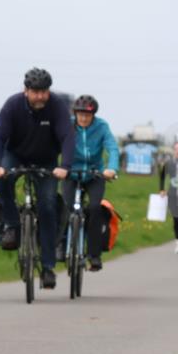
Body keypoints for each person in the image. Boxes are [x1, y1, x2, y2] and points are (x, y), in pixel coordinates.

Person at [0, 68, 74, 289]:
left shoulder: (57, 107)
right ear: (26, 91)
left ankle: (47, 267)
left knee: (47, 206)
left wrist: (64, 166)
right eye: (35, 91)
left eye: (44, 91)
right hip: (15, 154)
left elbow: (67, 137)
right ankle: (12, 225)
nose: (40, 96)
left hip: (46, 160)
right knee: (4, 179)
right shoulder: (13, 105)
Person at [61, 95, 118, 272]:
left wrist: (111, 168)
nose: (83, 118)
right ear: (75, 113)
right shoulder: (67, 126)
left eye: (87, 115)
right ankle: (60, 247)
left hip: (95, 174)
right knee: (65, 206)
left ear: (93, 115)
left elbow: (112, 148)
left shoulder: (101, 127)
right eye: (80, 114)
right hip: (71, 173)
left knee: (94, 209)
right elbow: (53, 144)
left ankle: (94, 255)